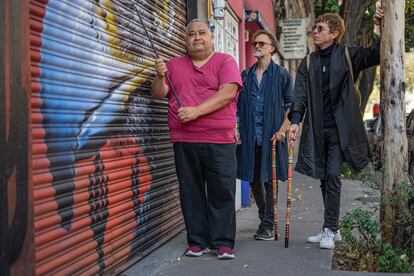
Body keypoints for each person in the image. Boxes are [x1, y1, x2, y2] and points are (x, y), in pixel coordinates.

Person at [288, 9, 384, 249]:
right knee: (323, 178)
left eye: (320, 28)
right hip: (317, 131)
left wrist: (379, 28)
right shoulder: (309, 61)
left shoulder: (348, 55)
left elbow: (376, 53)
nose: (314, 31)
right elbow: (299, 94)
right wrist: (294, 121)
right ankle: (332, 228)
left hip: (341, 131)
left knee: (332, 176)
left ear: (334, 33)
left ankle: (330, 229)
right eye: (315, 28)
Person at [151, 18, 242, 259]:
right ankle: (197, 242)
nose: (197, 37)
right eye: (192, 34)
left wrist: (196, 111)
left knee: (221, 189)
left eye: (202, 33)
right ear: (185, 39)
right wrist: (160, 76)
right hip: (185, 139)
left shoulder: (225, 61)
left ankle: (223, 243)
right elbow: (159, 94)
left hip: (219, 139)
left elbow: (228, 93)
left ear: (211, 37)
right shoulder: (173, 64)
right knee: (190, 190)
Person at [236, 30, 293, 240]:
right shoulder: (245, 75)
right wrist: (236, 127)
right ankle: (265, 217)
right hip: (250, 136)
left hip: (272, 136)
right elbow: (238, 106)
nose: (256, 46)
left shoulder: (282, 75)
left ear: (272, 48)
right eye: (254, 44)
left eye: (261, 43)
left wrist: (283, 130)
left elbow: (291, 107)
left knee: (269, 180)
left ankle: (267, 225)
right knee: (253, 178)